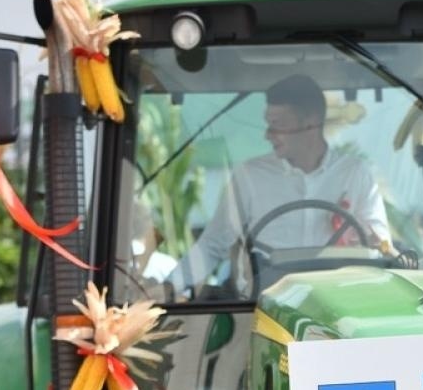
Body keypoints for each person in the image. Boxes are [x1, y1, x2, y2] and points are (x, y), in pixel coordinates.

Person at [171, 75, 400, 296]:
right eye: (268, 124)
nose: (267, 135)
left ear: (311, 124)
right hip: (260, 307)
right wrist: (169, 287)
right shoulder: (250, 176)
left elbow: (381, 245)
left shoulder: (355, 174)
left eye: (277, 125)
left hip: (338, 306)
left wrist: (367, 237)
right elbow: (213, 244)